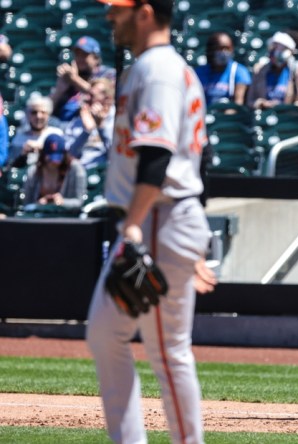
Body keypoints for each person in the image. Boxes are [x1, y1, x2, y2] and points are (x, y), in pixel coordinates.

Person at [85, 1, 212, 443]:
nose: (109, 17)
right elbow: (202, 159)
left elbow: (157, 159)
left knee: (167, 350)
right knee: (105, 334)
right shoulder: (162, 68)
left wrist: (134, 228)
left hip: (158, 216)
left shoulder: (158, 70)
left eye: (117, 10)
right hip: (162, 217)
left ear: (144, 12)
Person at [246, 31, 298, 112]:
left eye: (281, 49)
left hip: (290, 118)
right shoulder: (260, 69)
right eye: (274, 48)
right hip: (266, 115)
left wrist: (292, 107)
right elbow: (250, 100)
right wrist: (262, 104)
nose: (275, 53)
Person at [50, 36, 116, 123]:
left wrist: (75, 79)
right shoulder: (69, 76)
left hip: (95, 123)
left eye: (84, 54)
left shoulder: (108, 73)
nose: (80, 58)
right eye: (77, 54)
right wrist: (59, 90)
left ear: (96, 58)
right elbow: (47, 108)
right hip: (66, 125)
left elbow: (102, 96)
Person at [22, 133, 87, 210]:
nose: (54, 162)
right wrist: (39, 204)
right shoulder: (33, 172)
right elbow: (26, 204)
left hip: (67, 218)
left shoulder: (76, 169)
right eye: (50, 159)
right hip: (38, 217)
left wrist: (62, 202)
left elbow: (79, 201)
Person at [63, 78, 115, 170]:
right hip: (82, 171)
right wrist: (87, 131)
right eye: (87, 94)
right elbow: (70, 155)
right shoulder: (80, 119)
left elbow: (115, 154)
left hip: (106, 171)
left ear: (107, 98)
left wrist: (101, 127)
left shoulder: (116, 119)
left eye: (92, 95)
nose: (87, 98)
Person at [195, 31, 251, 107]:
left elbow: (238, 103)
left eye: (227, 48)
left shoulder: (239, 71)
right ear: (212, 50)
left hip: (228, 116)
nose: (224, 52)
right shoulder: (199, 72)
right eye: (220, 48)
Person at [8, 94, 64, 168]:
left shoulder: (56, 134)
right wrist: (23, 153)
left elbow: (63, 159)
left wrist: (43, 147)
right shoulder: (19, 138)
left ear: (49, 115)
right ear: (27, 115)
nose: (38, 116)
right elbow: (11, 166)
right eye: (34, 112)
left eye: (43, 112)